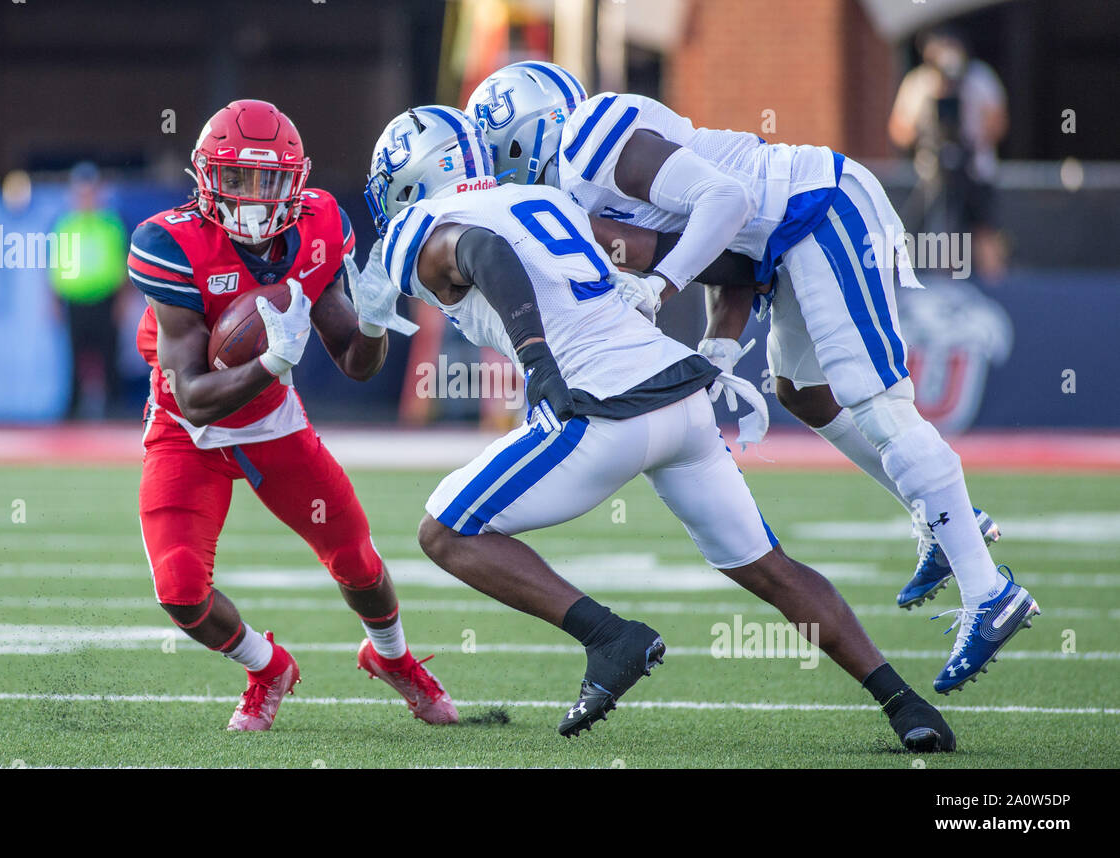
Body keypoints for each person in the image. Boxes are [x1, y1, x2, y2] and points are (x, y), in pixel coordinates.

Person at [357, 103, 955, 751]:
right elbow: (700, 258)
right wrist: (746, 287)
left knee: (445, 532)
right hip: (680, 397)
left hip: (601, 408)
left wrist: (537, 363)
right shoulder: (543, 199)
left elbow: (481, 249)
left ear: (410, 181)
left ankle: (610, 639)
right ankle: (904, 703)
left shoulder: (418, 227)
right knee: (771, 568)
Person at [465, 62, 1038, 695]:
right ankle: (940, 516)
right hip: (785, 243)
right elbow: (732, 263)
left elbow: (728, 203)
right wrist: (716, 354)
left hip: (820, 210)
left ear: (523, 134)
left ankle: (988, 591)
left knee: (878, 403)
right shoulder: (584, 191)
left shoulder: (589, 138)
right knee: (801, 390)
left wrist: (659, 285)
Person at [128, 99, 456, 731]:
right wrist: (272, 364)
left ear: (296, 182)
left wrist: (372, 320)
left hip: (272, 424)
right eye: (238, 179)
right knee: (179, 590)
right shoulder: (170, 243)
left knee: (355, 557)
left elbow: (355, 363)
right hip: (186, 430)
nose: (253, 198)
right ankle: (267, 666)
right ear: (205, 178)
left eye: (269, 181)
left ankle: (393, 659)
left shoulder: (319, 227)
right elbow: (194, 393)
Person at [889, 28, 1009, 281]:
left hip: (975, 171)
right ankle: (933, 284)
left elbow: (998, 123)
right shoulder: (919, 83)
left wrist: (971, 136)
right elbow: (899, 130)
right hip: (931, 173)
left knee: (983, 229)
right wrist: (925, 130)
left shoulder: (979, 79)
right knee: (933, 230)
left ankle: (997, 287)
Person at [50, 162, 130, 419]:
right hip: (74, 300)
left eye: (90, 191)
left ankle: (113, 408)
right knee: (74, 358)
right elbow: (54, 265)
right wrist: (53, 301)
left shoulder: (111, 224)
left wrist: (121, 301)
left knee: (110, 357)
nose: (86, 196)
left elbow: (122, 263)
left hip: (105, 299)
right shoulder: (65, 224)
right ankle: (72, 411)